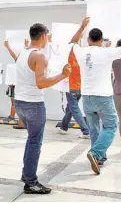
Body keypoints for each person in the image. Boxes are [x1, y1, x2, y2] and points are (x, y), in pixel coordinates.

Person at [5, 23, 71, 194]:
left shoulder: (23, 53)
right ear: (43, 36)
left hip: (20, 102)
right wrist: (63, 75)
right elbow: (41, 83)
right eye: (47, 36)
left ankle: (26, 175)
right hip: (33, 104)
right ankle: (31, 182)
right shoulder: (39, 56)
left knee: (31, 139)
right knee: (35, 142)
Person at [70, 16, 121, 175]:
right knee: (111, 126)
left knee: (93, 128)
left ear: (88, 39)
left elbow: (71, 43)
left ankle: (99, 158)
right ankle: (96, 153)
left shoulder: (81, 51)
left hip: (86, 96)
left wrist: (81, 27)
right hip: (103, 97)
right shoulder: (107, 52)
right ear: (101, 40)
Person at [58, 49, 90, 139]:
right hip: (80, 88)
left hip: (71, 88)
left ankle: (85, 131)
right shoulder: (81, 61)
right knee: (70, 108)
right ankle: (64, 127)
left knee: (74, 109)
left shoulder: (67, 62)